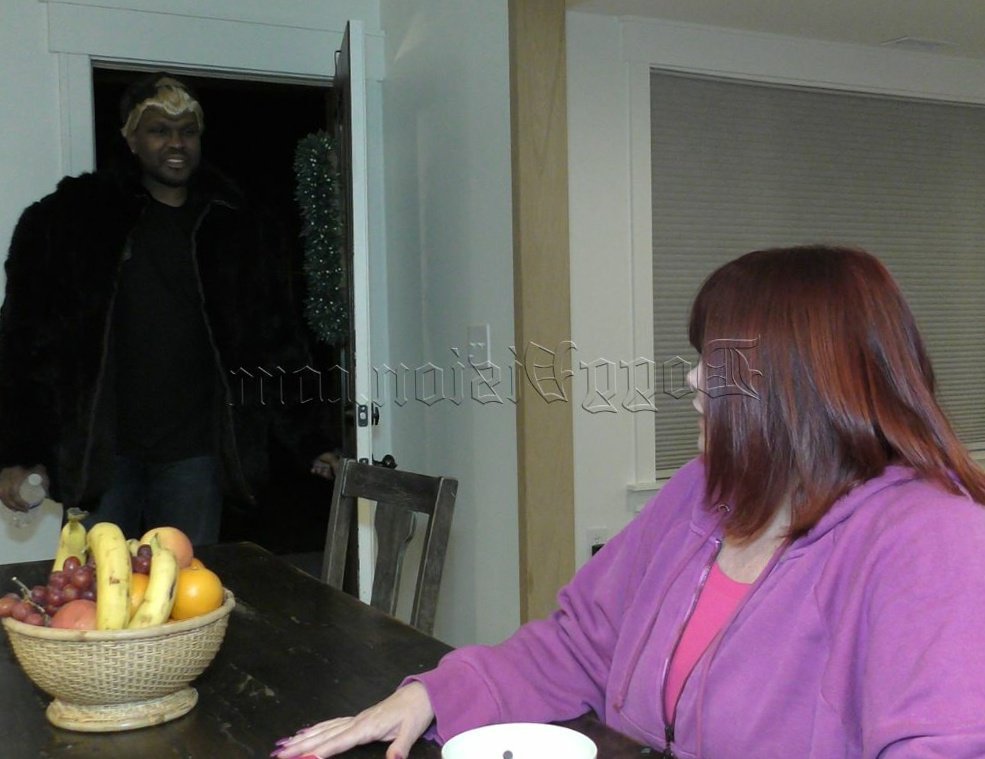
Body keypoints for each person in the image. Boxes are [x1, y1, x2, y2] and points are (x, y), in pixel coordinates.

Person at [272, 246, 985, 759]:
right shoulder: (704, 491)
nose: (692, 379)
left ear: (796, 384)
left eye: (715, 360)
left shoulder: (932, 540)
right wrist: (434, 694)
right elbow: (580, 644)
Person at [0, 72, 337, 545]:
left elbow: (276, 341)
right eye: (159, 130)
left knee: (185, 585)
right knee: (97, 587)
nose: (176, 143)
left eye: (188, 131)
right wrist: (18, 452)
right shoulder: (71, 221)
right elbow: (24, 341)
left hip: (196, 456)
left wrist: (312, 439)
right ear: (131, 139)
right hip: (102, 455)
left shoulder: (236, 227)